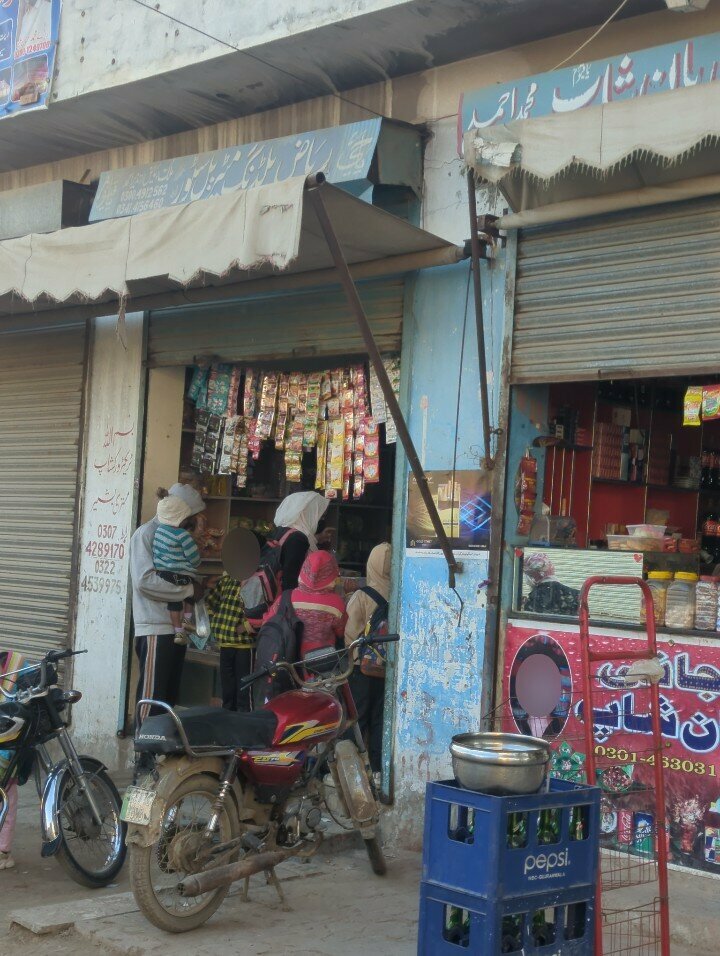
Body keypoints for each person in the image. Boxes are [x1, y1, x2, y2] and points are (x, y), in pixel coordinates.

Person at [130, 482, 205, 726]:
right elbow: (145, 581)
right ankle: (144, 751)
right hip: (155, 627)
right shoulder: (146, 534)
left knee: (168, 698)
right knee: (152, 698)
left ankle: (162, 752)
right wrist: (189, 589)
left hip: (175, 629)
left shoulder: (178, 536)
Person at [344, 543, 391, 775]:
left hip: (361, 670)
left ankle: (354, 773)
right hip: (388, 670)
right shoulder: (402, 592)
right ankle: (377, 771)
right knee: (380, 722)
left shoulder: (362, 596)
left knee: (357, 721)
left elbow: (350, 634)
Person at [265, 550, 347, 660]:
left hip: (287, 662)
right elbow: (342, 632)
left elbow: (268, 622)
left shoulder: (285, 598)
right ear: (332, 573)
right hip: (320, 665)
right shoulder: (337, 604)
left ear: (304, 569)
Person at [152, 490, 201, 645]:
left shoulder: (158, 531)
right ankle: (187, 619)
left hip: (163, 574)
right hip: (181, 574)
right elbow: (193, 558)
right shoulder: (182, 535)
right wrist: (196, 561)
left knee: (174, 603)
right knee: (192, 591)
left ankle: (178, 631)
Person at [205, 573, 254, 711]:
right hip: (225, 642)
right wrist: (215, 620)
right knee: (227, 688)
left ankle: (244, 719)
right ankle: (228, 717)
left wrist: (246, 626)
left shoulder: (255, 580)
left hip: (244, 644)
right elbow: (210, 601)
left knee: (244, 688)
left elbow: (262, 608)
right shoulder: (226, 580)